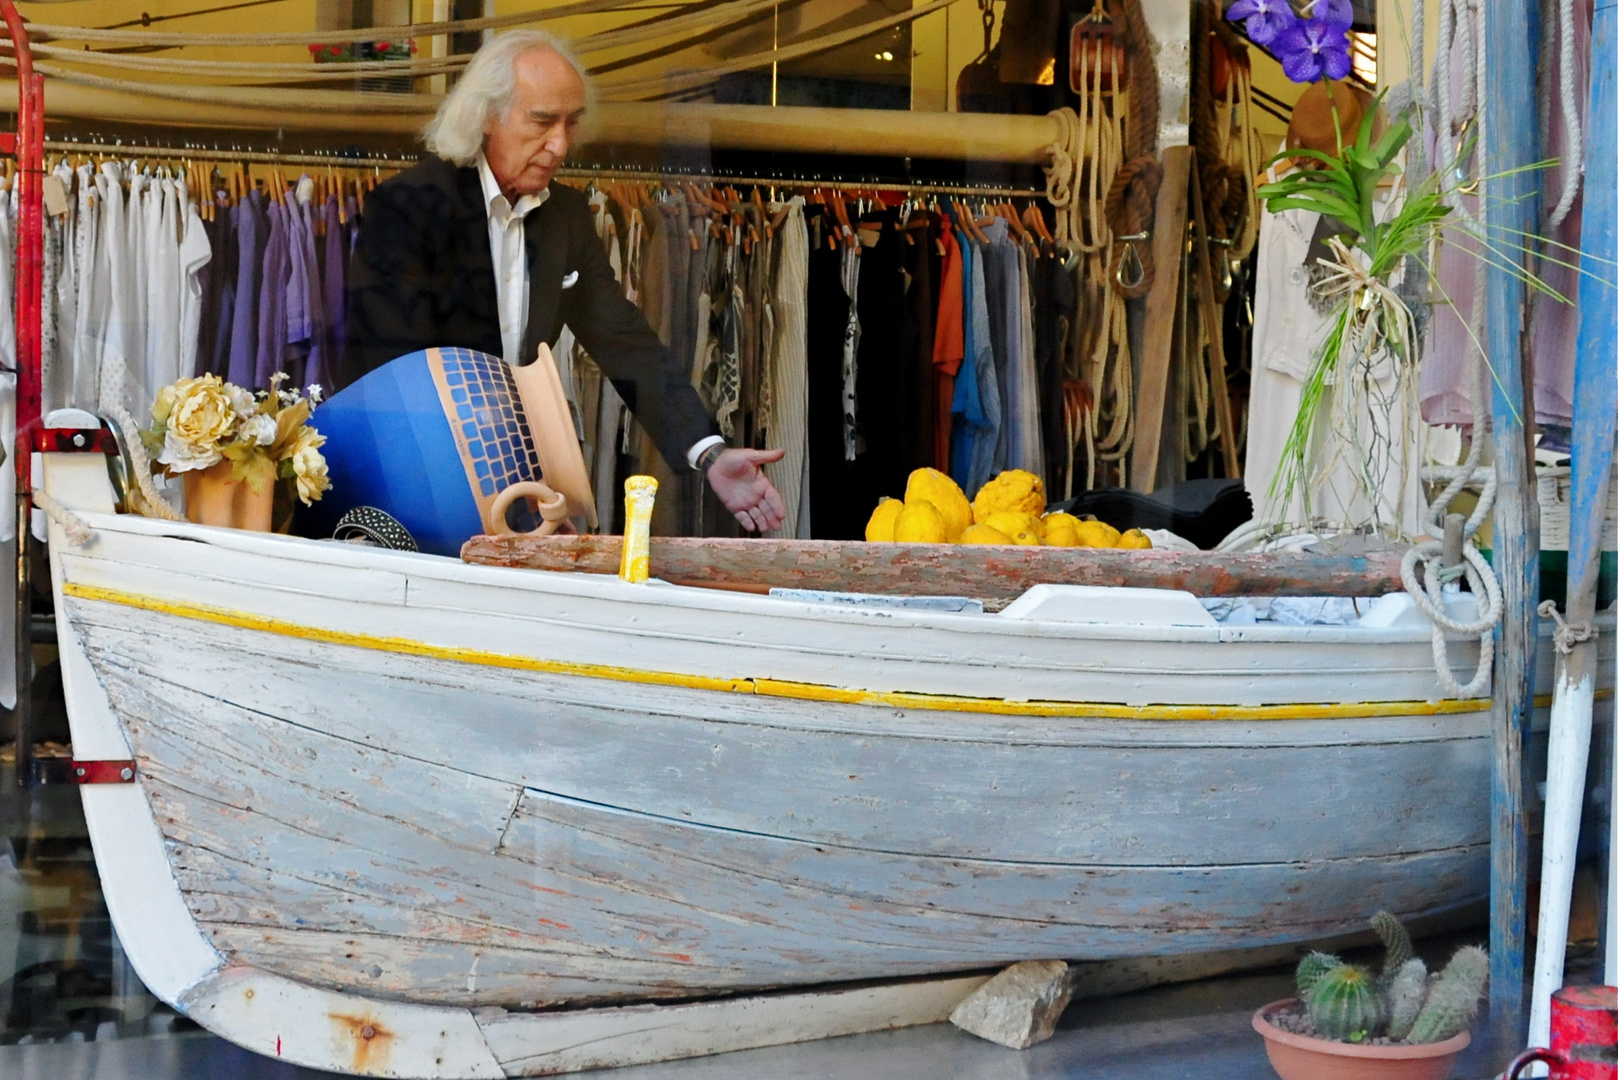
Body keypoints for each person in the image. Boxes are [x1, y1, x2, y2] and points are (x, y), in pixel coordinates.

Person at [342, 30, 785, 534]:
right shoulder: (409, 207)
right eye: (542, 121)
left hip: (505, 485)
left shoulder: (567, 216)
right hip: (407, 478)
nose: (560, 144)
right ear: (487, 116)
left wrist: (709, 453)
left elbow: (627, 343)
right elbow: (399, 373)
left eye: (571, 123)